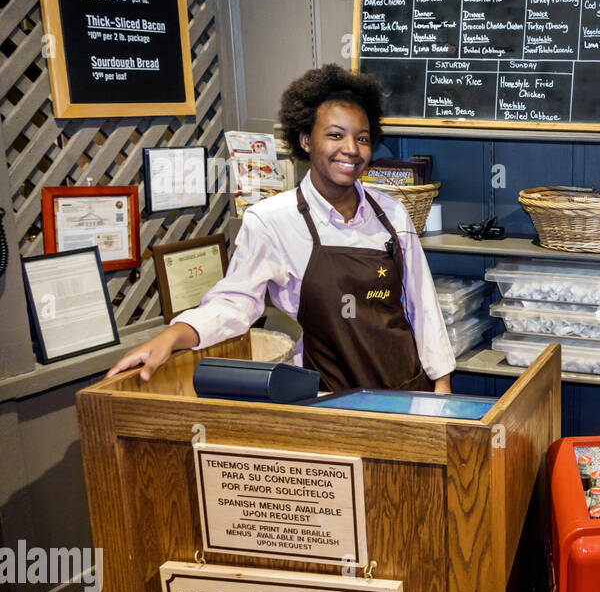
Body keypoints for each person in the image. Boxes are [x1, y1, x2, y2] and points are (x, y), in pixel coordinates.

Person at [109, 65, 454, 393]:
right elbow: (235, 303)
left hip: (405, 390)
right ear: (305, 140)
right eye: (335, 135)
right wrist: (173, 336)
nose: (351, 149)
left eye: (362, 138)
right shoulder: (271, 221)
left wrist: (441, 383)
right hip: (329, 398)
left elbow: (422, 303)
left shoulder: (391, 212)